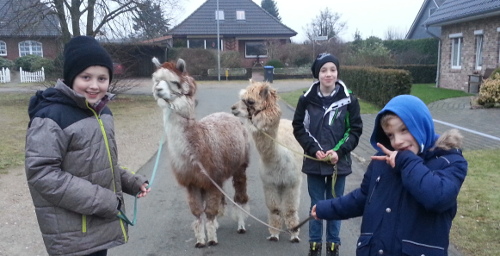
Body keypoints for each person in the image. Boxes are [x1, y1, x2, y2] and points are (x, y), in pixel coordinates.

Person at [25, 36, 151, 256]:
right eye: (86, 77)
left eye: (102, 78)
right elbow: (42, 173)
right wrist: (104, 201)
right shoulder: (51, 117)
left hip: (97, 226)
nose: (95, 85)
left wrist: (132, 182)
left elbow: (102, 164)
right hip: (73, 234)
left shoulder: (103, 113)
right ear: (71, 77)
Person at [311, 95, 468, 256]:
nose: (397, 142)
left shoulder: (449, 161)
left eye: (404, 130)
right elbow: (363, 197)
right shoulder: (383, 161)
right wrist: (327, 208)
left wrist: (405, 160)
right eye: (390, 135)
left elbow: (438, 197)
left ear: (421, 124)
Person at [292, 52, 363, 256]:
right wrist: (315, 150)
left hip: (337, 165)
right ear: (317, 74)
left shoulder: (349, 100)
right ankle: (315, 244)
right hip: (314, 162)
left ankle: (333, 244)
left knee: (335, 204)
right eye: (323, 70)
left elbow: (355, 130)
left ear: (337, 72)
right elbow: (299, 127)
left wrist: (339, 151)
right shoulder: (306, 100)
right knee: (316, 204)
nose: (328, 74)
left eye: (332, 69)